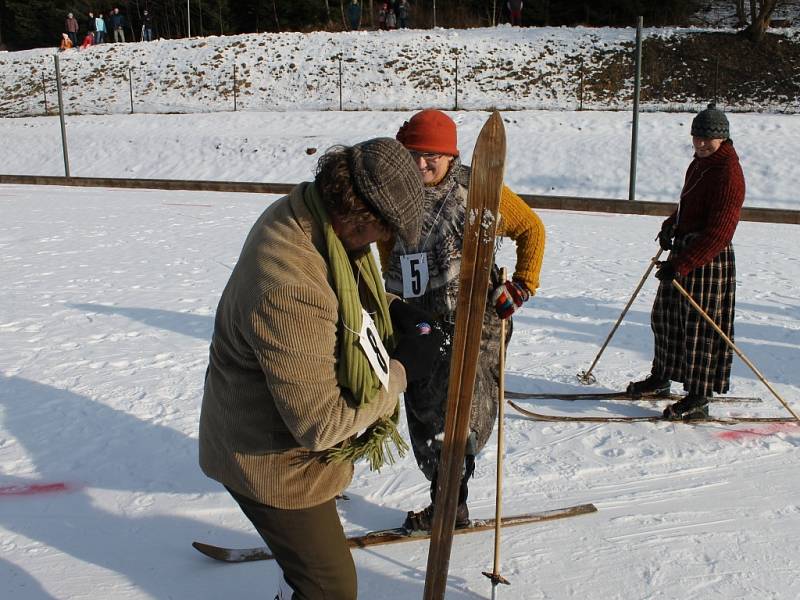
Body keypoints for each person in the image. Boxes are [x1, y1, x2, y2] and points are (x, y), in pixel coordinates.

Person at [199, 138, 442, 599]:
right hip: (272, 463)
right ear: (359, 218)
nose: (383, 243)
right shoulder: (289, 284)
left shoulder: (308, 214)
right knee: (331, 588)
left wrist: (393, 309)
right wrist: (404, 369)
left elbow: (341, 295)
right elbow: (321, 423)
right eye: (383, 231)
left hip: (277, 437)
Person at [379, 110, 546, 530]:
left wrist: (522, 286)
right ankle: (450, 499)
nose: (421, 164)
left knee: (458, 414)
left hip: (475, 319)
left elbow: (532, 229)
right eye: (413, 154)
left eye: (431, 156)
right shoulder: (395, 193)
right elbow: (382, 248)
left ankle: (450, 505)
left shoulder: (479, 189)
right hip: (417, 321)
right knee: (422, 408)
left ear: (450, 156)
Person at [627, 103, 745, 421]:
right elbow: (687, 207)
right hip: (685, 250)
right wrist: (670, 228)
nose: (702, 143)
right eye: (697, 137)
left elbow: (720, 231)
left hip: (708, 258)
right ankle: (661, 377)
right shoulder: (699, 165)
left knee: (700, 329)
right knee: (664, 317)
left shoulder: (728, 173)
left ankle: (698, 396)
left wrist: (683, 263)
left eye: (708, 138)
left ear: (723, 139)